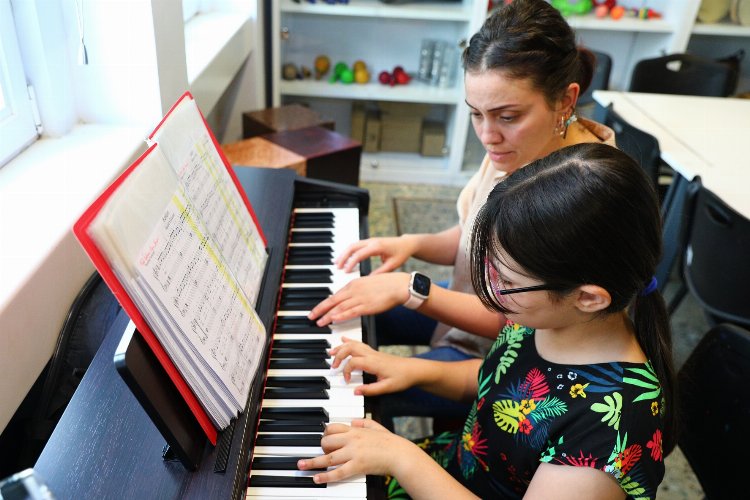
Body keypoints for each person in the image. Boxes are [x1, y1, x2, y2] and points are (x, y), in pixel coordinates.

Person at [298, 143, 676, 499]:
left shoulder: (613, 428)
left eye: (507, 281)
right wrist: (414, 370)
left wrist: (401, 457)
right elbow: (498, 380)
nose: (491, 289)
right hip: (453, 468)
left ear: (589, 297)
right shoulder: (548, 317)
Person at [310, 0, 616, 423]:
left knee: (346, 397)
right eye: (476, 114)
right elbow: (472, 233)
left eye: (507, 115)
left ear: (566, 100)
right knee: (334, 308)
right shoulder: (519, 143)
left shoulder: (580, 193)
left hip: (509, 365)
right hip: (472, 313)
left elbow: (520, 325)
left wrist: (414, 291)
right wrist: (409, 243)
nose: (487, 135)